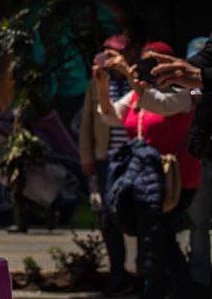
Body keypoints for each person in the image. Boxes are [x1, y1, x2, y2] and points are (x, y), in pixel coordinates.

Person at [97, 41, 201, 299]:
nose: (144, 70)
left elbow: (160, 105)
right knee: (155, 237)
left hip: (174, 179)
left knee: (158, 236)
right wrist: (101, 81)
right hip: (142, 177)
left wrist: (129, 75)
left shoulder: (183, 94)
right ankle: (168, 289)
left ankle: (165, 290)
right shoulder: (136, 94)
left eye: (150, 65)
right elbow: (110, 116)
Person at [78, 34, 137, 295]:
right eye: (107, 53)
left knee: (139, 213)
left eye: (116, 54)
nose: (110, 59)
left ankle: (145, 272)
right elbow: (88, 123)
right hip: (107, 159)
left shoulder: (136, 80)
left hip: (136, 157)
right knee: (108, 218)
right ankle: (117, 273)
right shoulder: (96, 83)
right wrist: (87, 157)